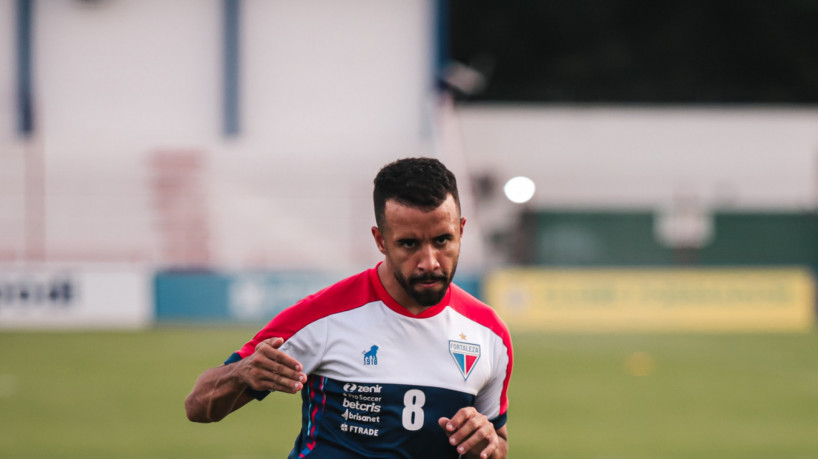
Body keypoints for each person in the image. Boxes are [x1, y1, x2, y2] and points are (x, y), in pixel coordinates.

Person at [185, 157, 513, 458]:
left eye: (442, 240)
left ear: (461, 230)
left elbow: (498, 444)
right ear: (381, 240)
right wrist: (241, 374)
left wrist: (487, 444)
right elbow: (198, 406)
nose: (429, 261)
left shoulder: (490, 334)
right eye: (409, 243)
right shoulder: (323, 316)